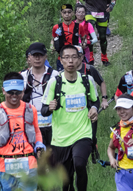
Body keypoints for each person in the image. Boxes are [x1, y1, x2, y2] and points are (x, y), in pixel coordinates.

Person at [41, 45, 100, 191]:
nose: (71, 61)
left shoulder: (87, 80)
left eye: (74, 57)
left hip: (83, 133)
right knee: (66, 181)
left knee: (80, 164)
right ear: (61, 60)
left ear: (80, 58)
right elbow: (43, 111)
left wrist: (94, 108)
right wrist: (50, 107)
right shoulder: (54, 82)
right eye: (66, 57)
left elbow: (95, 100)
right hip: (61, 138)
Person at [0, 72, 46, 191]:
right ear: (3, 91)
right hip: (5, 166)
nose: (14, 96)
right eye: (10, 92)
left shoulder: (30, 109)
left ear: (23, 91)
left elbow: (37, 132)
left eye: (18, 92)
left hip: (29, 164)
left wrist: (39, 145)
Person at [75, 0, 118, 66]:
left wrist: (112, 4)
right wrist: (78, 2)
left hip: (102, 10)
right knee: (89, 33)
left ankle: (104, 58)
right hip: (89, 9)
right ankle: (90, 58)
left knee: (103, 36)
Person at [74, 45, 109, 164]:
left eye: (77, 56)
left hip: (90, 107)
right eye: (71, 56)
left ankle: (94, 156)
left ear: (82, 56)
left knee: (92, 135)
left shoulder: (89, 69)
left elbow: (102, 82)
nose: (74, 60)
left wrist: (104, 99)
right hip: (74, 109)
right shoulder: (63, 73)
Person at [21, 43, 59, 148]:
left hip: (53, 123)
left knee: (53, 156)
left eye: (41, 55)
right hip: (30, 123)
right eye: (34, 55)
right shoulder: (22, 77)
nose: (38, 58)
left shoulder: (55, 75)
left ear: (45, 57)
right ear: (29, 57)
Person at [52, 4, 80, 71]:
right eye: (64, 12)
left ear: (73, 13)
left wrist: (83, 44)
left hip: (75, 58)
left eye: (69, 12)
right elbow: (53, 39)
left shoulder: (78, 26)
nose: (67, 14)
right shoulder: (57, 27)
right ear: (61, 14)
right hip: (61, 58)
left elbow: (84, 38)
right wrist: (52, 47)